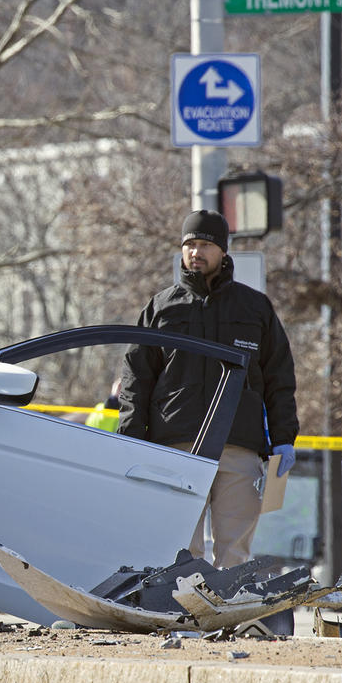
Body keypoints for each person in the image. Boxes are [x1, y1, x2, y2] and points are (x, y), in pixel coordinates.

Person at [116, 210, 298, 569]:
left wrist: (283, 437)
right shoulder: (160, 307)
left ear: (223, 252)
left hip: (239, 446)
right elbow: (136, 378)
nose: (195, 252)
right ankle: (185, 621)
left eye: (204, 245)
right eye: (189, 245)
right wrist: (132, 438)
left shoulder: (254, 307)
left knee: (234, 553)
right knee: (181, 549)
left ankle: (228, 618)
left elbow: (279, 377)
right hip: (177, 445)